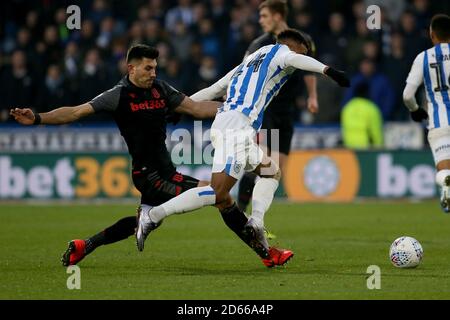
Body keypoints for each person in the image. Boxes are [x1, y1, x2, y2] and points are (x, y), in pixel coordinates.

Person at [10, 44, 261, 267]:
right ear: (131, 68)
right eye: (148, 69)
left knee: (142, 221)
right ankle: (265, 251)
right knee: (218, 195)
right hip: (149, 174)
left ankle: (85, 245)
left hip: (165, 171)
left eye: (155, 69)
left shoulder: (160, 88)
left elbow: (196, 108)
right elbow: (75, 112)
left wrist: (232, 110)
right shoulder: (117, 95)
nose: (153, 73)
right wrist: (38, 118)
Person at [136, 29, 350, 266]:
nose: (304, 53)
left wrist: (180, 107)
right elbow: (296, 59)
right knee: (219, 192)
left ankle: (256, 221)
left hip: (235, 125)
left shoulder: (249, 62)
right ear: (295, 44)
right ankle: (153, 215)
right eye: (304, 48)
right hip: (236, 125)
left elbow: (214, 89)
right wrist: (328, 70)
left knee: (271, 171)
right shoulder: (281, 51)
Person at [237, 0, 319, 212]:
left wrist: (312, 96)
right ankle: (241, 213)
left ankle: (252, 218)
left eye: (264, 16)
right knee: (264, 164)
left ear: (278, 16)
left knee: (276, 170)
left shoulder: (302, 40)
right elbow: (242, 73)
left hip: (287, 112)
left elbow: (309, 70)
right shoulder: (259, 45)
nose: (260, 21)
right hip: (266, 111)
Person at [402, 14, 450, 212]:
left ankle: (446, 184)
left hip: (439, 124)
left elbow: (407, 95)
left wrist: (415, 110)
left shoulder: (423, 58)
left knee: (444, 169)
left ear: (432, 35)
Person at [341, 81, 383, 149]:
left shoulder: (347, 108)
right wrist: (379, 148)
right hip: (366, 149)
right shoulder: (371, 108)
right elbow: (376, 132)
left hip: (349, 148)